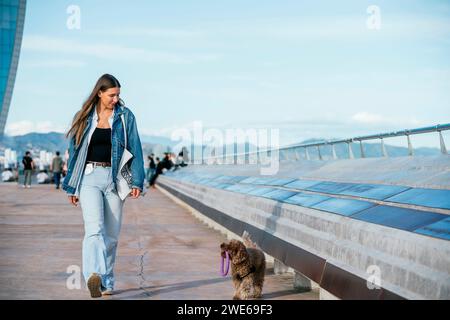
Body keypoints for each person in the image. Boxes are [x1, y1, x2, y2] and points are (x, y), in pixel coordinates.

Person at [62, 74, 145, 298]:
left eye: (118, 94)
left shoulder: (126, 117)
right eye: (111, 95)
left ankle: (107, 282)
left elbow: (135, 147)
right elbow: (75, 153)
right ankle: (93, 276)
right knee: (94, 230)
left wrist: (137, 180)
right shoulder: (84, 117)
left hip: (115, 179)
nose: (116, 99)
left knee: (111, 235)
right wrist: (72, 186)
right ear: (99, 93)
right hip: (89, 178)